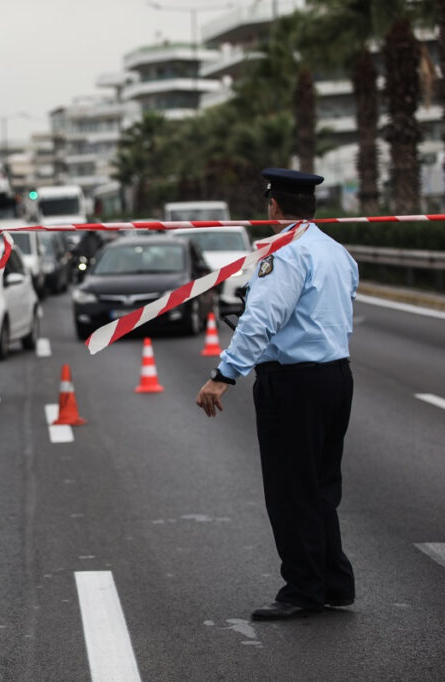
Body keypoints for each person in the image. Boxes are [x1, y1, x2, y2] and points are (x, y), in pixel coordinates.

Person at [194, 168, 359, 621]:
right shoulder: (336, 251)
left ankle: (303, 589)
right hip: (335, 377)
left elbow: (261, 319)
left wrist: (223, 374)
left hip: (294, 384)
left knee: (291, 489)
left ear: (273, 206)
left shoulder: (282, 254)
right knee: (321, 487)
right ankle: (334, 581)